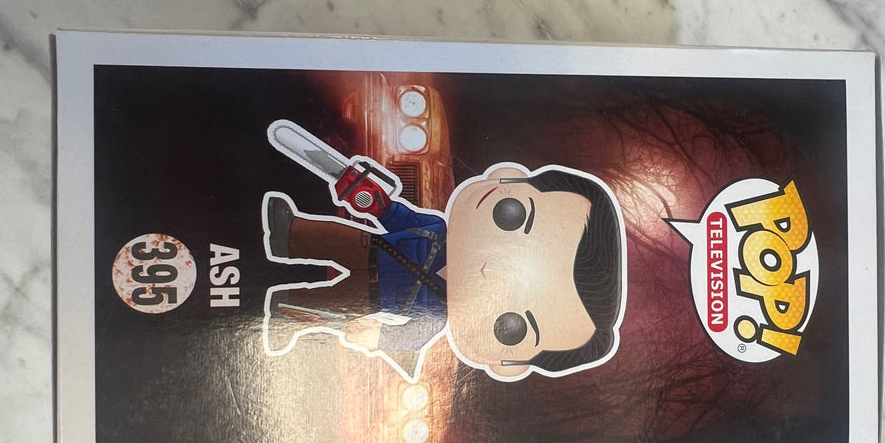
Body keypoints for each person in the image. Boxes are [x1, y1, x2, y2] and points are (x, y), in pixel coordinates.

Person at [262, 162, 626, 383]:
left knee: (327, 303)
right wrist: (378, 204)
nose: (490, 271)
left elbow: (412, 337)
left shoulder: (437, 314)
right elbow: (400, 218)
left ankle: (287, 310)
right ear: (507, 178)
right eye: (510, 214)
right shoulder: (437, 229)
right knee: (336, 239)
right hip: (369, 247)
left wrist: (378, 337)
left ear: (508, 366)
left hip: (369, 298)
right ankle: (291, 234)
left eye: (511, 326)